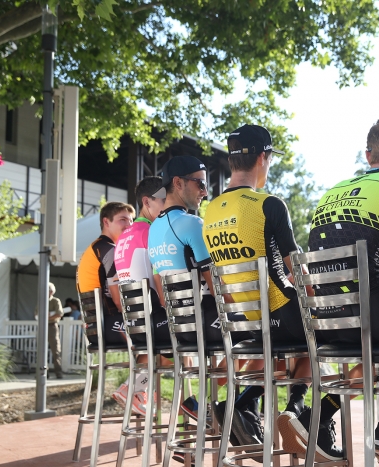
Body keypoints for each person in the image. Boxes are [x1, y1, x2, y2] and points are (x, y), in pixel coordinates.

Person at [278, 118, 379, 464]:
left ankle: (322, 415)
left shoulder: (331, 192)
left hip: (323, 319)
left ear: (368, 155)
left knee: (377, 346)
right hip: (369, 314)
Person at [202, 124, 313, 450]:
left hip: (244, 320)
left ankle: (243, 404)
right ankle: (295, 409)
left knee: (276, 346)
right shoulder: (269, 204)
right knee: (322, 332)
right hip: (278, 311)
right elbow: (296, 268)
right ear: (263, 157)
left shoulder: (209, 211)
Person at [147, 156, 261, 448]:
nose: (205, 191)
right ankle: (226, 408)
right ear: (178, 183)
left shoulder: (154, 229)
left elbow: (160, 288)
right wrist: (242, 309)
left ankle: (211, 405)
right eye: (199, 183)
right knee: (265, 335)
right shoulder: (192, 224)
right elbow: (215, 282)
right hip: (202, 323)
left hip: (177, 325)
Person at [110, 176, 170, 416]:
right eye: (164, 200)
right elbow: (158, 278)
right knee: (190, 344)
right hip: (150, 318)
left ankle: (138, 390)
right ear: (147, 201)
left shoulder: (124, 236)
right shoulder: (152, 230)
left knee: (172, 347)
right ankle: (135, 388)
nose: (168, 205)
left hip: (134, 320)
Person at [76, 202, 135, 346]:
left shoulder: (96, 247)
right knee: (161, 332)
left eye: (131, 220)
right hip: (105, 326)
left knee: (159, 335)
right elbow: (118, 301)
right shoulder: (109, 250)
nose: (129, 225)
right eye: (123, 220)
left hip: (96, 327)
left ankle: (146, 367)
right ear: (106, 222)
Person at [36, 282, 64, 379]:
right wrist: (47, 316)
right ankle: (43, 372)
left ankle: (58, 372)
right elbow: (36, 315)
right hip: (42, 326)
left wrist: (48, 317)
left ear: (51, 292)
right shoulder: (41, 301)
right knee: (41, 350)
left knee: (55, 350)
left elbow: (59, 313)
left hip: (52, 326)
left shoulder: (55, 301)